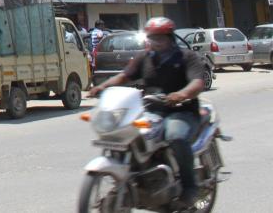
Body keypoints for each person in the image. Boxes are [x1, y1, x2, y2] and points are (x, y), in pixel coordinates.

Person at [88, 17, 206, 206]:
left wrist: (182, 94)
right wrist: (102, 87)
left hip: (181, 111)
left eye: (160, 38)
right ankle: (136, 179)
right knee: (129, 135)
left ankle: (189, 187)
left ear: (170, 38)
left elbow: (197, 82)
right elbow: (125, 76)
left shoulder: (186, 57)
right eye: (152, 38)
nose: (156, 42)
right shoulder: (145, 57)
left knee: (175, 136)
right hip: (153, 110)